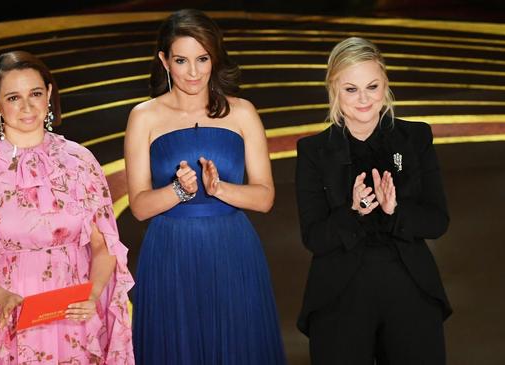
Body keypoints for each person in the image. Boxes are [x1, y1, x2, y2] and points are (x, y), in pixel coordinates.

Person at [0, 51, 134, 364]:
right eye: (14, 97)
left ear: (49, 94)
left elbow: (104, 246)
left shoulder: (80, 162)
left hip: (74, 319)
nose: (27, 106)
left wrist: (92, 294)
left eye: (36, 93)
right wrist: (1, 297)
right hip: (10, 319)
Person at [124, 9, 286, 365]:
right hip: (170, 252)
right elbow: (139, 206)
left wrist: (220, 189)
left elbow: (265, 197)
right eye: (182, 60)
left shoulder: (243, 112)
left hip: (233, 249)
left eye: (202, 59)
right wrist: (179, 192)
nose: (194, 72)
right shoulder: (143, 116)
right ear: (164, 61)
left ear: (215, 58)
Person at [295, 37, 452, 364]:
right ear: (334, 90)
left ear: (385, 83)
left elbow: (438, 221)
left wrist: (395, 211)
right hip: (340, 291)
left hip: (409, 283)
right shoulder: (313, 152)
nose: (363, 99)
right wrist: (352, 213)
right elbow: (314, 238)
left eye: (372, 86)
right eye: (351, 89)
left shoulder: (415, 138)